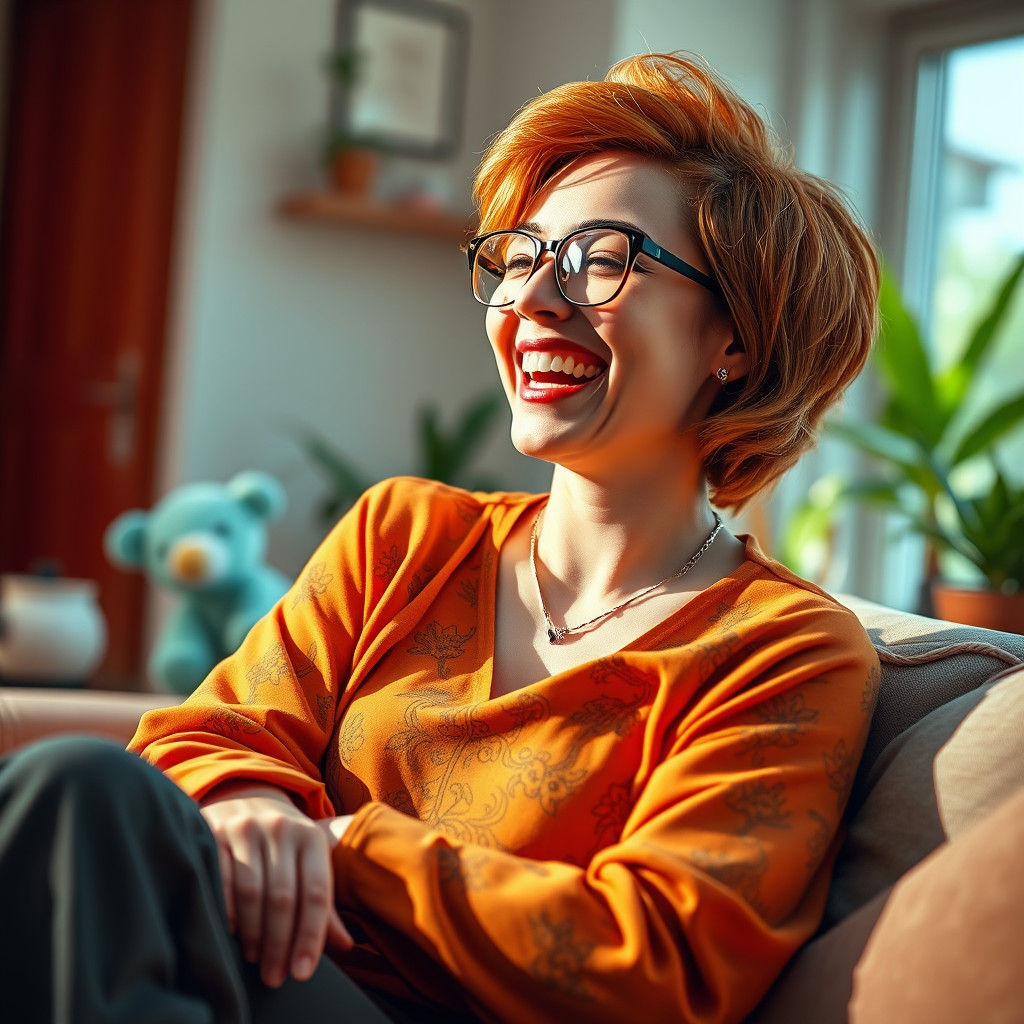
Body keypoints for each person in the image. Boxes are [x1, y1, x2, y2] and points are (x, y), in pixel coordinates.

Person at [0, 52, 880, 1024]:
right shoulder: (403, 535)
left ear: (736, 338)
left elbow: (657, 959)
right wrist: (249, 804)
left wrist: (340, 845)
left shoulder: (787, 652)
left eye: (599, 258)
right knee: (74, 792)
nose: (533, 299)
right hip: (256, 972)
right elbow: (213, 731)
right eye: (519, 256)